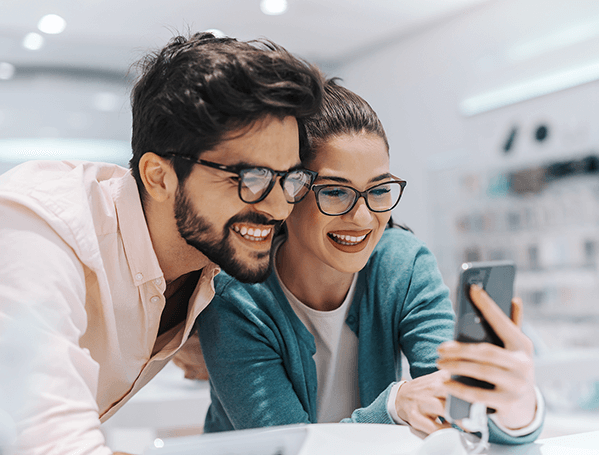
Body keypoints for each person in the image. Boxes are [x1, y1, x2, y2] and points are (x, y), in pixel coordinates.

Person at [0, 32, 323, 455]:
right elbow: (50, 444)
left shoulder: (210, 258)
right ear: (158, 176)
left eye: (289, 179)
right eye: (252, 178)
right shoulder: (38, 227)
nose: (281, 207)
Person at [196, 79, 544, 444]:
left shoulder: (404, 265)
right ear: (289, 192)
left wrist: (516, 406)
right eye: (334, 191)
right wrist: (393, 406)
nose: (363, 218)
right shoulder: (236, 296)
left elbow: (459, 412)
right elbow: (285, 447)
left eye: (378, 190)